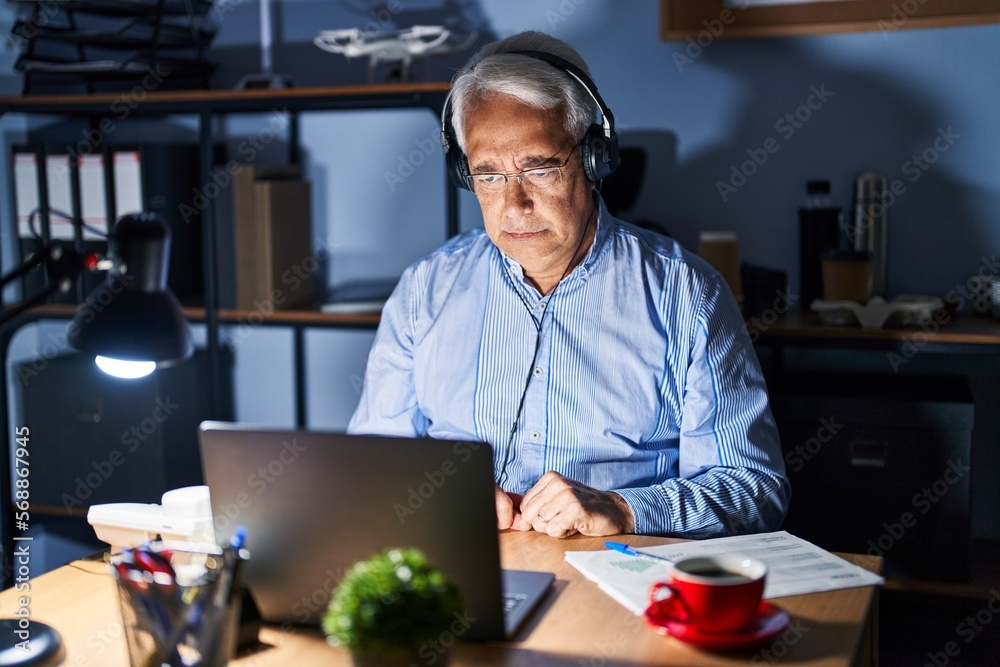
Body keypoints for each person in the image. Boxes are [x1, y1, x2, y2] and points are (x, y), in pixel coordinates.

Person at [348, 30, 789, 539]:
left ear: (595, 161)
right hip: (470, 582)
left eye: (539, 168)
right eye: (488, 176)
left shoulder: (688, 294)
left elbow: (756, 488)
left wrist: (625, 509)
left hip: (620, 590)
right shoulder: (424, 290)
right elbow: (371, 467)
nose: (514, 204)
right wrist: (438, 493)